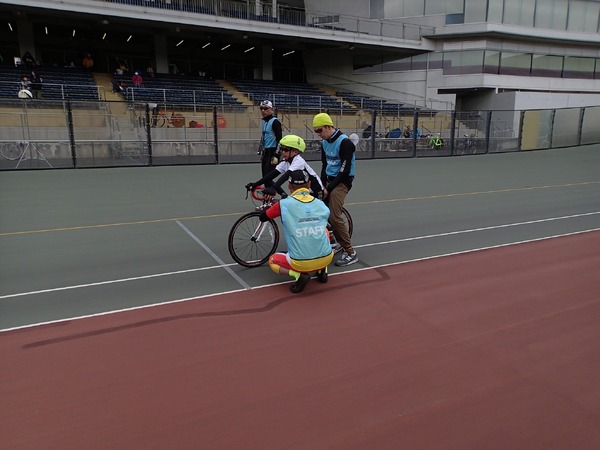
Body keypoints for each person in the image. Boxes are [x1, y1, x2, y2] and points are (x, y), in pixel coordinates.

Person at [259, 169, 334, 293]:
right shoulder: (320, 204)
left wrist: (267, 208)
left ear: (289, 186)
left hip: (300, 263)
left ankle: (298, 275)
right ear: (309, 185)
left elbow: (263, 217)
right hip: (327, 257)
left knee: (273, 260)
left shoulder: (283, 204)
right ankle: (322, 270)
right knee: (323, 230)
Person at [313, 112, 358, 267]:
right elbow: (325, 166)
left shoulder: (344, 142)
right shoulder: (324, 143)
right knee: (318, 207)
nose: (319, 134)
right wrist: (321, 185)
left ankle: (350, 252)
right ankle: (331, 238)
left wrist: (329, 188)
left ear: (328, 126)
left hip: (343, 181)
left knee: (333, 215)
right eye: (316, 132)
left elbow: (344, 171)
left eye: (320, 130)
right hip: (330, 179)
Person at [246, 134, 324, 201]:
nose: (283, 152)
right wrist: (255, 184)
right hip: (302, 191)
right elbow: (271, 175)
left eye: (286, 150)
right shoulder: (286, 161)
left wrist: (273, 188)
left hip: (315, 191)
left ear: (295, 152)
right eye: (282, 149)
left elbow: (286, 176)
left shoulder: (299, 161)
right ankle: (284, 195)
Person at [258, 100, 282, 183]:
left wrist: (276, 155)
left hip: (272, 152)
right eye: (261, 108)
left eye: (265, 108)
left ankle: (281, 194)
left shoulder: (275, 122)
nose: (263, 111)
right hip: (266, 153)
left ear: (271, 109)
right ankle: (269, 194)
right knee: (265, 177)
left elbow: (280, 139)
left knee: (267, 177)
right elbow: (263, 138)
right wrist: (261, 153)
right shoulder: (264, 122)